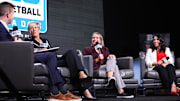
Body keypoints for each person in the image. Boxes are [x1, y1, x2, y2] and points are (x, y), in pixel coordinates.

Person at [0, 2, 83, 101]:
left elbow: (7, 45)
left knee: (57, 56)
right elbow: (6, 49)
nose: (13, 17)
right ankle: (60, 91)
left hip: (22, 55)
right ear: (8, 14)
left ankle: (59, 91)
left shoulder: (4, 28)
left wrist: (16, 42)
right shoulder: (1, 28)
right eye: (13, 13)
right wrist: (18, 44)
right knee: (50, 57)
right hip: (19, 58)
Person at [26, 21, 95, 100]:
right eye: (31, 28)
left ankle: (81, 73)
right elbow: (29, 54)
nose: (34, 30)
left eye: (35, 27)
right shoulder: (28, 41)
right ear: (29, 31)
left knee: (71, 52)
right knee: (51, 57)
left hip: (52, 59)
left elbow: (51, 51)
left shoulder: (45, 41)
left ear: (39, 29)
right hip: (44, 61)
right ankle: (81, 90)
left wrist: (50, 50)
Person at [82, 32, 130, 97]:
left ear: (100, 40)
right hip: (94, 68)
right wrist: (97, 59)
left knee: (112, 61)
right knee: (115, 67)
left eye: (97, 38)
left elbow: (109, 61)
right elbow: (85, 62)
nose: (94, 39)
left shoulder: (105, 49)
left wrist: (111, 56)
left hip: (105, 67)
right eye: (93, 38)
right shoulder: (87, 49)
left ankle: (110, 79)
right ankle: (120, 90)